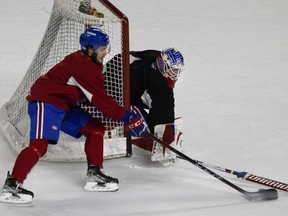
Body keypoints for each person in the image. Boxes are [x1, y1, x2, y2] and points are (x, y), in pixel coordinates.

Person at [0, 27, 148, 204]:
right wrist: (127, 117)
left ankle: (94, 175)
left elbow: (85, 94)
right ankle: (11, 186)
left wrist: (116, 114)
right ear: (90, 49)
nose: (105, 53)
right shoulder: (84, 66)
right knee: (39, 145)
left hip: (63, 104)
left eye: (105, 48)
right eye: (101, 49)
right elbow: (101, 101)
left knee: (95, 128)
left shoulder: (90, 63)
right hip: (46, 102)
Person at [105, 48, 185, 164]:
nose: (175, 75)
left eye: (177, 71)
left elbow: (129, 56)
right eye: (172, 70)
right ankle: (114, 127)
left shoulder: (155, 55)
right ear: (162, 65)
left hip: (118, 78)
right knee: (132, 117)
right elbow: (163, 113)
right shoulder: (161, 87)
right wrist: (163, 141)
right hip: (116, 90)